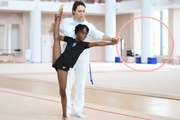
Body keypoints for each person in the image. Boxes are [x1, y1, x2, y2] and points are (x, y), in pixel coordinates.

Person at [52, 5, 119, 120]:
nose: (82, 13)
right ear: (73, 11)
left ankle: (78, 110)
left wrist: (111, 39)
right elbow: (55, 33)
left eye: (83, 11)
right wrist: (55, 21)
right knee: (67, 86)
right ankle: (66, 111)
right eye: (79, 11)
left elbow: (98, 36)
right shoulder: (66, 22)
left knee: (80, 84)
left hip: (82, 58)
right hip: (67, 58)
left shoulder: (88, 25)